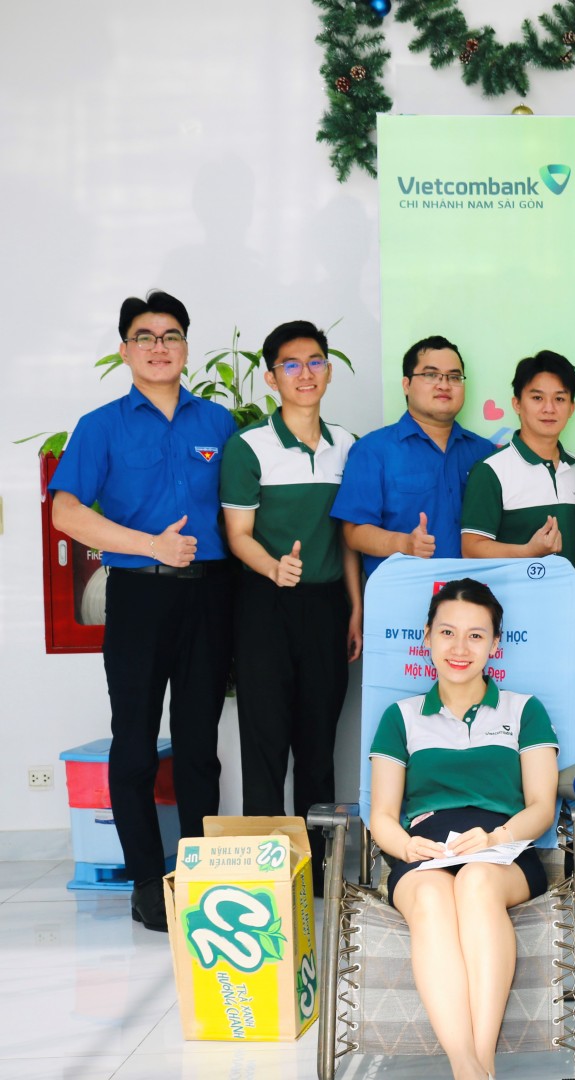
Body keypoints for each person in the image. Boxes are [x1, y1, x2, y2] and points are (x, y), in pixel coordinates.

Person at [48, 290, 236, 932]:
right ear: (125, 350)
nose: (160, 347)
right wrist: (150, 545)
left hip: (210, 596)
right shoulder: (100, 425)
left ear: (186, 347)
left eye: (171, 335)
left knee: (199, 745)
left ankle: (200, 878)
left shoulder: (218, 423)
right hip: (138, 594)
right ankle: (148, 883)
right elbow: (66, 511)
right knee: (133, 742)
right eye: (146, 337)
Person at [369, 578, 559, 1080]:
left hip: (502, 852)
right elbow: (382, 816)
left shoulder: (524, 710)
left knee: (475, 881)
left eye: (476, 636)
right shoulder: (401, 717)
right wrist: (406, 845)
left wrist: (496, 840)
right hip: (423, 853)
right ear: (427, 636)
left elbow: (542, 807)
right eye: (447, 632)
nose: (459, 648)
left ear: (495, 644)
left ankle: (482, 1060)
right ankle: (467, 1068)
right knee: (433, 897)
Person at [220, 320, 362, 877]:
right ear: (271, 377)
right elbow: (238, 535)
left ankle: (320, 872)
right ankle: (269, 874)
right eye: (292, 364)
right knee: (265, 740)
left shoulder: (346, 446)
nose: (306, 374)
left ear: (328, 371)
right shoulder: (248, 447)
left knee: (318, 742)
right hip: (264, 605)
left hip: (326, 607)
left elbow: (348, 537)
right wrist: (274, 568)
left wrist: (355, 606)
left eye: (316, 362)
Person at [461, 350, 575, 712]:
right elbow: (472, 547)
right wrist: (527, 552)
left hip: (572, 620)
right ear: (517, 404)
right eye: (537, 397)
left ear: (572, 407)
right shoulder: (492, 470)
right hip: (514, 624)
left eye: (560, 399)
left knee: (573, 717)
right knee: (514, 722)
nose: (549, 408)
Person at [332, 335, 495, 577]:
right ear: (406, 385)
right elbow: (354, 533)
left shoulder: (485, 452)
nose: (444, 385)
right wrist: (404, 543)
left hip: (476, 591)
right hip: (404, 590)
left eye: (454, 377)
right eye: (431, 375)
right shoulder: (373, 450)